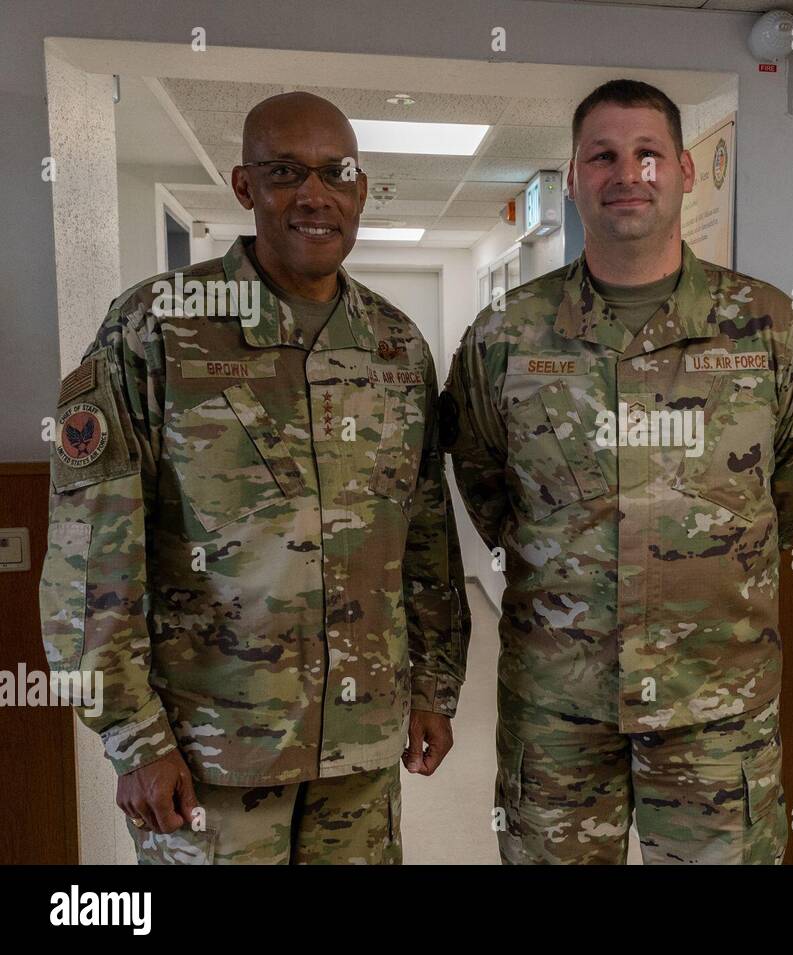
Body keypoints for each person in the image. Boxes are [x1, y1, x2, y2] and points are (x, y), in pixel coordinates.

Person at [38, 92, 469, 864]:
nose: (314, 194)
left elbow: (427, 534)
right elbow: (90, 554)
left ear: (361, 188)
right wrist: (135, 738)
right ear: (244, 187)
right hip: (210, 751)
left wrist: (435, 686)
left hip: (359, 744)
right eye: (284, 173)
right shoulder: (157, 327)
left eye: (336, 173)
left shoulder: (396, 347)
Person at [442, 79, 793, 864]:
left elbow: (791, 485)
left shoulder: (768, 327)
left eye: (648, 154)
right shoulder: (506, 335)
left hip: (716, 702)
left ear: (685, 172)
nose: (629, 173)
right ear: (576, 176)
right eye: (604, 156)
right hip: (559, 705)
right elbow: (486, 480)